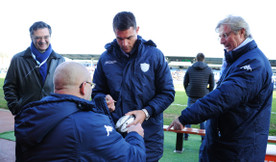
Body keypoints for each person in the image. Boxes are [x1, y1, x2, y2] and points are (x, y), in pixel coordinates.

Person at [168, 15, 273, 161]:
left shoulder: (254, 62)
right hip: (224, 145)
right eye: (220, 37)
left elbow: (224, 96)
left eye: (225, 35)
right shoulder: (237, 59)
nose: (222, 41)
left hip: (238, 150)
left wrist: (186, 116)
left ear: (241, 32)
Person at [15, 62, 146, 161]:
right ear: (84, 87)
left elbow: (69, 112)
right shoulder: (89, 124)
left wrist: (101, 105)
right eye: (90, 84)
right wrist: (135, 135)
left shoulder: (32, 113)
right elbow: (133, 158)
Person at [92, 11, 175, 161]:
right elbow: (97, 91)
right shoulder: (105, 58)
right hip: (114, 136)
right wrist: (104, 99)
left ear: (137, 30)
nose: (125, 43)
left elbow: (167, 93)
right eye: (119, 38)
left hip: (148, 135)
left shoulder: (154, 55)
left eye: (129, 37)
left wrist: (146, 112)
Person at [3, 21, 65, 115]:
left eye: (46, 37)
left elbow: (64, 88)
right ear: (31, 37)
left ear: (50, 36)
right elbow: (9, 86)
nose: (43, 41)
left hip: (52, 115)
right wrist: (16, 107)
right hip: (26, 115)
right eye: (38, 38)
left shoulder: (60, 60)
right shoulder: (18, 59)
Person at [183, 53, 214, 141]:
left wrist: (188, 91)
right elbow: (212, 84)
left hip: (192, 95)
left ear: (196, 59)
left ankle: (185, 134)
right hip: (203, 95)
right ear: (204, 59)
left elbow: (185, 82)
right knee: (203, 116)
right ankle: (203, 137)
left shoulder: (190, 68)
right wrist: (208, 93)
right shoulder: (208, 69)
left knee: (189, 114)